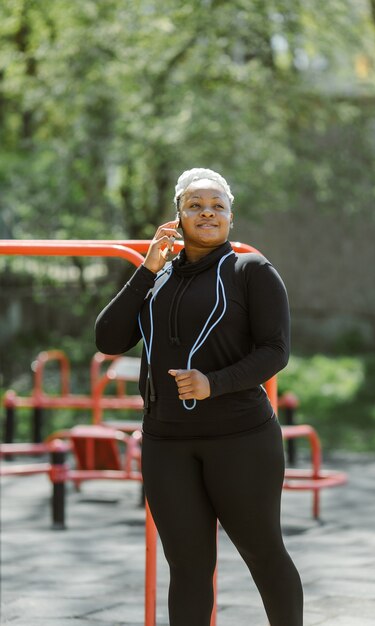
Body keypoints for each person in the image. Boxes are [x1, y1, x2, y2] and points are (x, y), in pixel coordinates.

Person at [95, 168, 303, 626]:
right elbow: (109, 339)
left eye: (217, 206)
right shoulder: (159, 275)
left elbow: (276, 350)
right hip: (166, 443)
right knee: (187, 569)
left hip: (241, 439)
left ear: (231, 217)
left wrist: (216, 383)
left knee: (263, 554)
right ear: (178, 217)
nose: (207, 212)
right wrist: (146, 268)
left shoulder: (251, 270)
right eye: (195, 205)